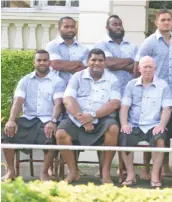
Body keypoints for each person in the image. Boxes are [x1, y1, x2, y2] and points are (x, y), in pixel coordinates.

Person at [56, 49, 122, 184]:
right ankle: (73, 172)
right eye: (93, 60)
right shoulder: (77, 77)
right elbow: (68, 99)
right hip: (77, 117)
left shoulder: (112, 79)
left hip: (103, 118)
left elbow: (115, 103)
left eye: (100, 60)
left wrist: (92, 116)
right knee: (61, 133)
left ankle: (105, 172)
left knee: (114, 128)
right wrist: (83, 120)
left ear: (105, 62)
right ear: (87, 62)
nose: (97, 63)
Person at [2, 50, 65, 181]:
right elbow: (18, 101)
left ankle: (44, 173)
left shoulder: (58, 81)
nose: (42, 62)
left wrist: (53, 121)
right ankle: (11, 172)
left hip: (48, 119)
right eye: (39, 60)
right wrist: (11, 120)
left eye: (45, 60)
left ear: (50, 62)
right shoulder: (25, 80)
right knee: (7, 133)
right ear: (34, 62)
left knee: (52, 135)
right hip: (28, 118)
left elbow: (58, 104)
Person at [136, 9, 172, 178]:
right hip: (154, 93)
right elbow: (139, 66)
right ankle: (145, 169)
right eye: (163, 20)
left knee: (166, 131)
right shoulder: (149, 43)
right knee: (151, 128)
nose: (166, 22)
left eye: (169, 20)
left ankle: (165, 167)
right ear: (156, 22)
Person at [118, 56, 172, 188]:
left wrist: (161, 125)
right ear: (139, 69)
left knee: (160, 139)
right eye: (145, 67)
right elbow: (124, 107)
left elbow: (167, 108)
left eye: (150, 67)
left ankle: (154, 176)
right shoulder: (131, 85)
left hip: (153, 124)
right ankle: (131, 175)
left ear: (155, 69)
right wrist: (124, 124)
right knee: (124, 137)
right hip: (134, 124)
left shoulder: (163, 85)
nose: (148, 69)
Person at [95, 15, 137, 92]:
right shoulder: (102, 44)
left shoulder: (132, 46)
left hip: (129, 92)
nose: (118, 27)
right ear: (107, 28)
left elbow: (137, 67)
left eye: (120, 24)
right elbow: (110, 63)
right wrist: (130, 60)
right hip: (108, 91)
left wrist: (117, 64)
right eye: (114, 24)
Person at [47, 16, 89, 82]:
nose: (70, 29)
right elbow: (56, 64)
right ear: (59, 29)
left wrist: (65, 65)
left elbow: (86, 70)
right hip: (57, 88)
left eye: (72, 27)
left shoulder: (83, 48)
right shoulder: (52, 45)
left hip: (78, 88)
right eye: (66, 27)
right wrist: (78, 63)